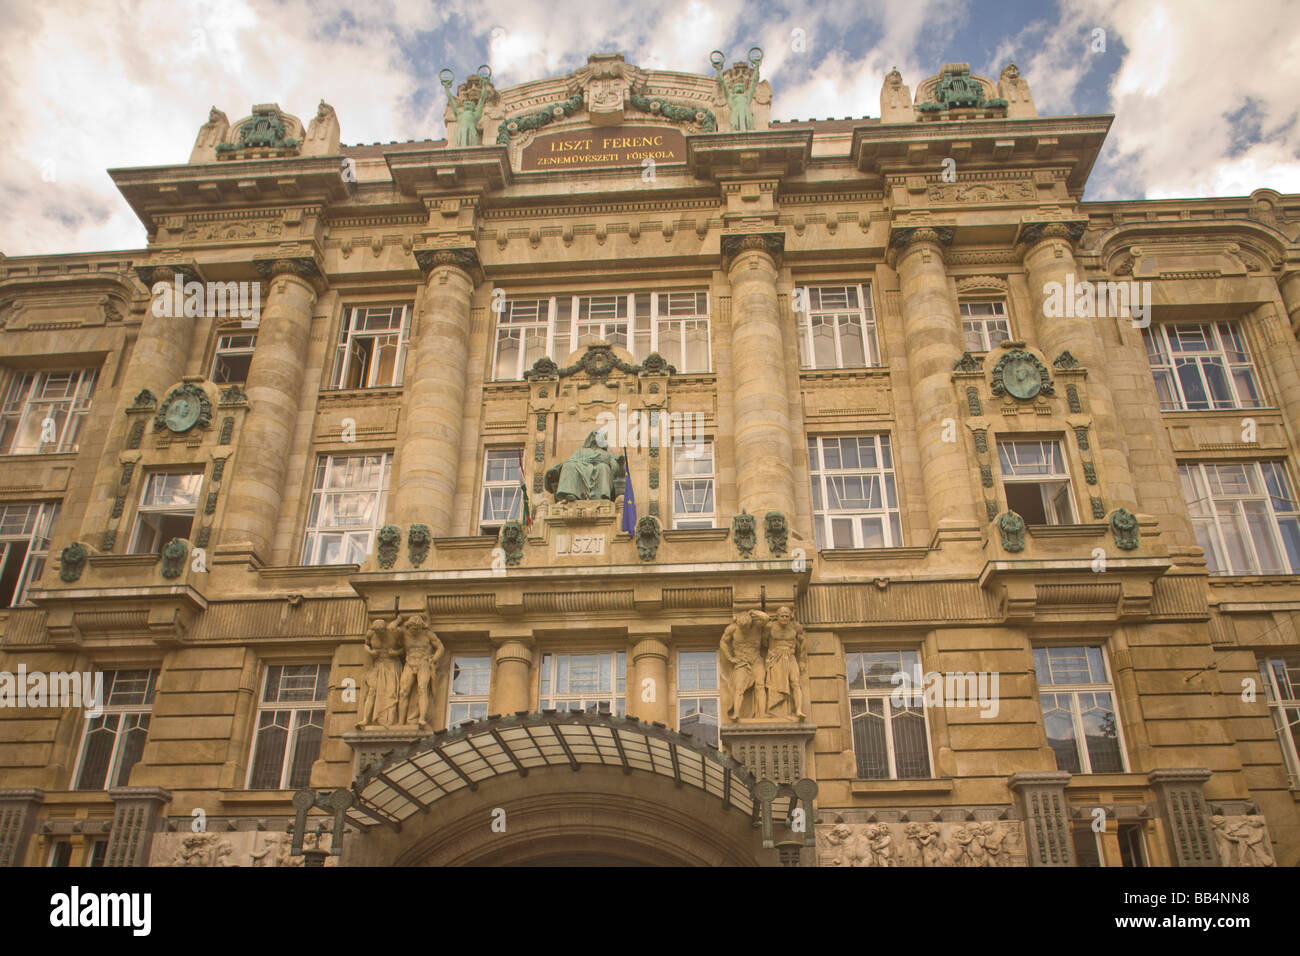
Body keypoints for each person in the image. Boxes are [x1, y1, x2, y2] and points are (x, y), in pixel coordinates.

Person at [397, 615, 444, 728]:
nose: (415, 631)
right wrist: (398, 620)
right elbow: (390, 631)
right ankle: (400, 722)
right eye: (413, 628)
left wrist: (433, 660)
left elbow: (440, 648)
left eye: (417, 629)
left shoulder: (428, 634)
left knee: (422, 689)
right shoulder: (404, 633)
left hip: (423, 663)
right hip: (409, 663)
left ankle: (422, 718)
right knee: (403, 691)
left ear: (421, 627)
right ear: (409, 626)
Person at [720, 609, 769, 718]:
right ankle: (737, 713)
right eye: (742, 628)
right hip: (741, 661)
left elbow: (766, 618)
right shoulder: (732, 629)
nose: (744, 630)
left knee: (760, 685)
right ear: (737, 623)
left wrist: (753, 611)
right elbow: (723, 642)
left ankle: (763, 713)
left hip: (756, 660)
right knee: (739, 687)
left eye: (746, 627)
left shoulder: (757, 626)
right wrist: (730, 658)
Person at [551, 430, 620, 502]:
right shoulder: (580, 451)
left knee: (603, 467)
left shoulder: (608, 454)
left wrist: (618, 463)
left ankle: (601, 496)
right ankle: (571, 493)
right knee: (568, 465)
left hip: (598, 469)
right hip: (581, 467)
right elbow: (571, 460)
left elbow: (614, 466)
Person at [764, 605, 807, 719]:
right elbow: (763, 642)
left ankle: (798, 710)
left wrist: (802, 661)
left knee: (795, 682)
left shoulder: (795, 628)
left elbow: (803, 643)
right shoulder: (770, 627)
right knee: (774, 685)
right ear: (777, 616)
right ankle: (773, 709)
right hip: (776, 658)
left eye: (787, 616)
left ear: (790, 617)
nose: (784, 618)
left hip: (790, 657)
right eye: (782, 616)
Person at [441, 72, 490, 147]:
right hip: (459, 132)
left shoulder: (475, 115)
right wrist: (446, 88)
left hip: (471, 132)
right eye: (466, 104)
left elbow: (482, 99)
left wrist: (484, 85)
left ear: (473, 108)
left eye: (470, 104)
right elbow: (451, 100)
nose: (468, 105)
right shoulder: (459, 113)